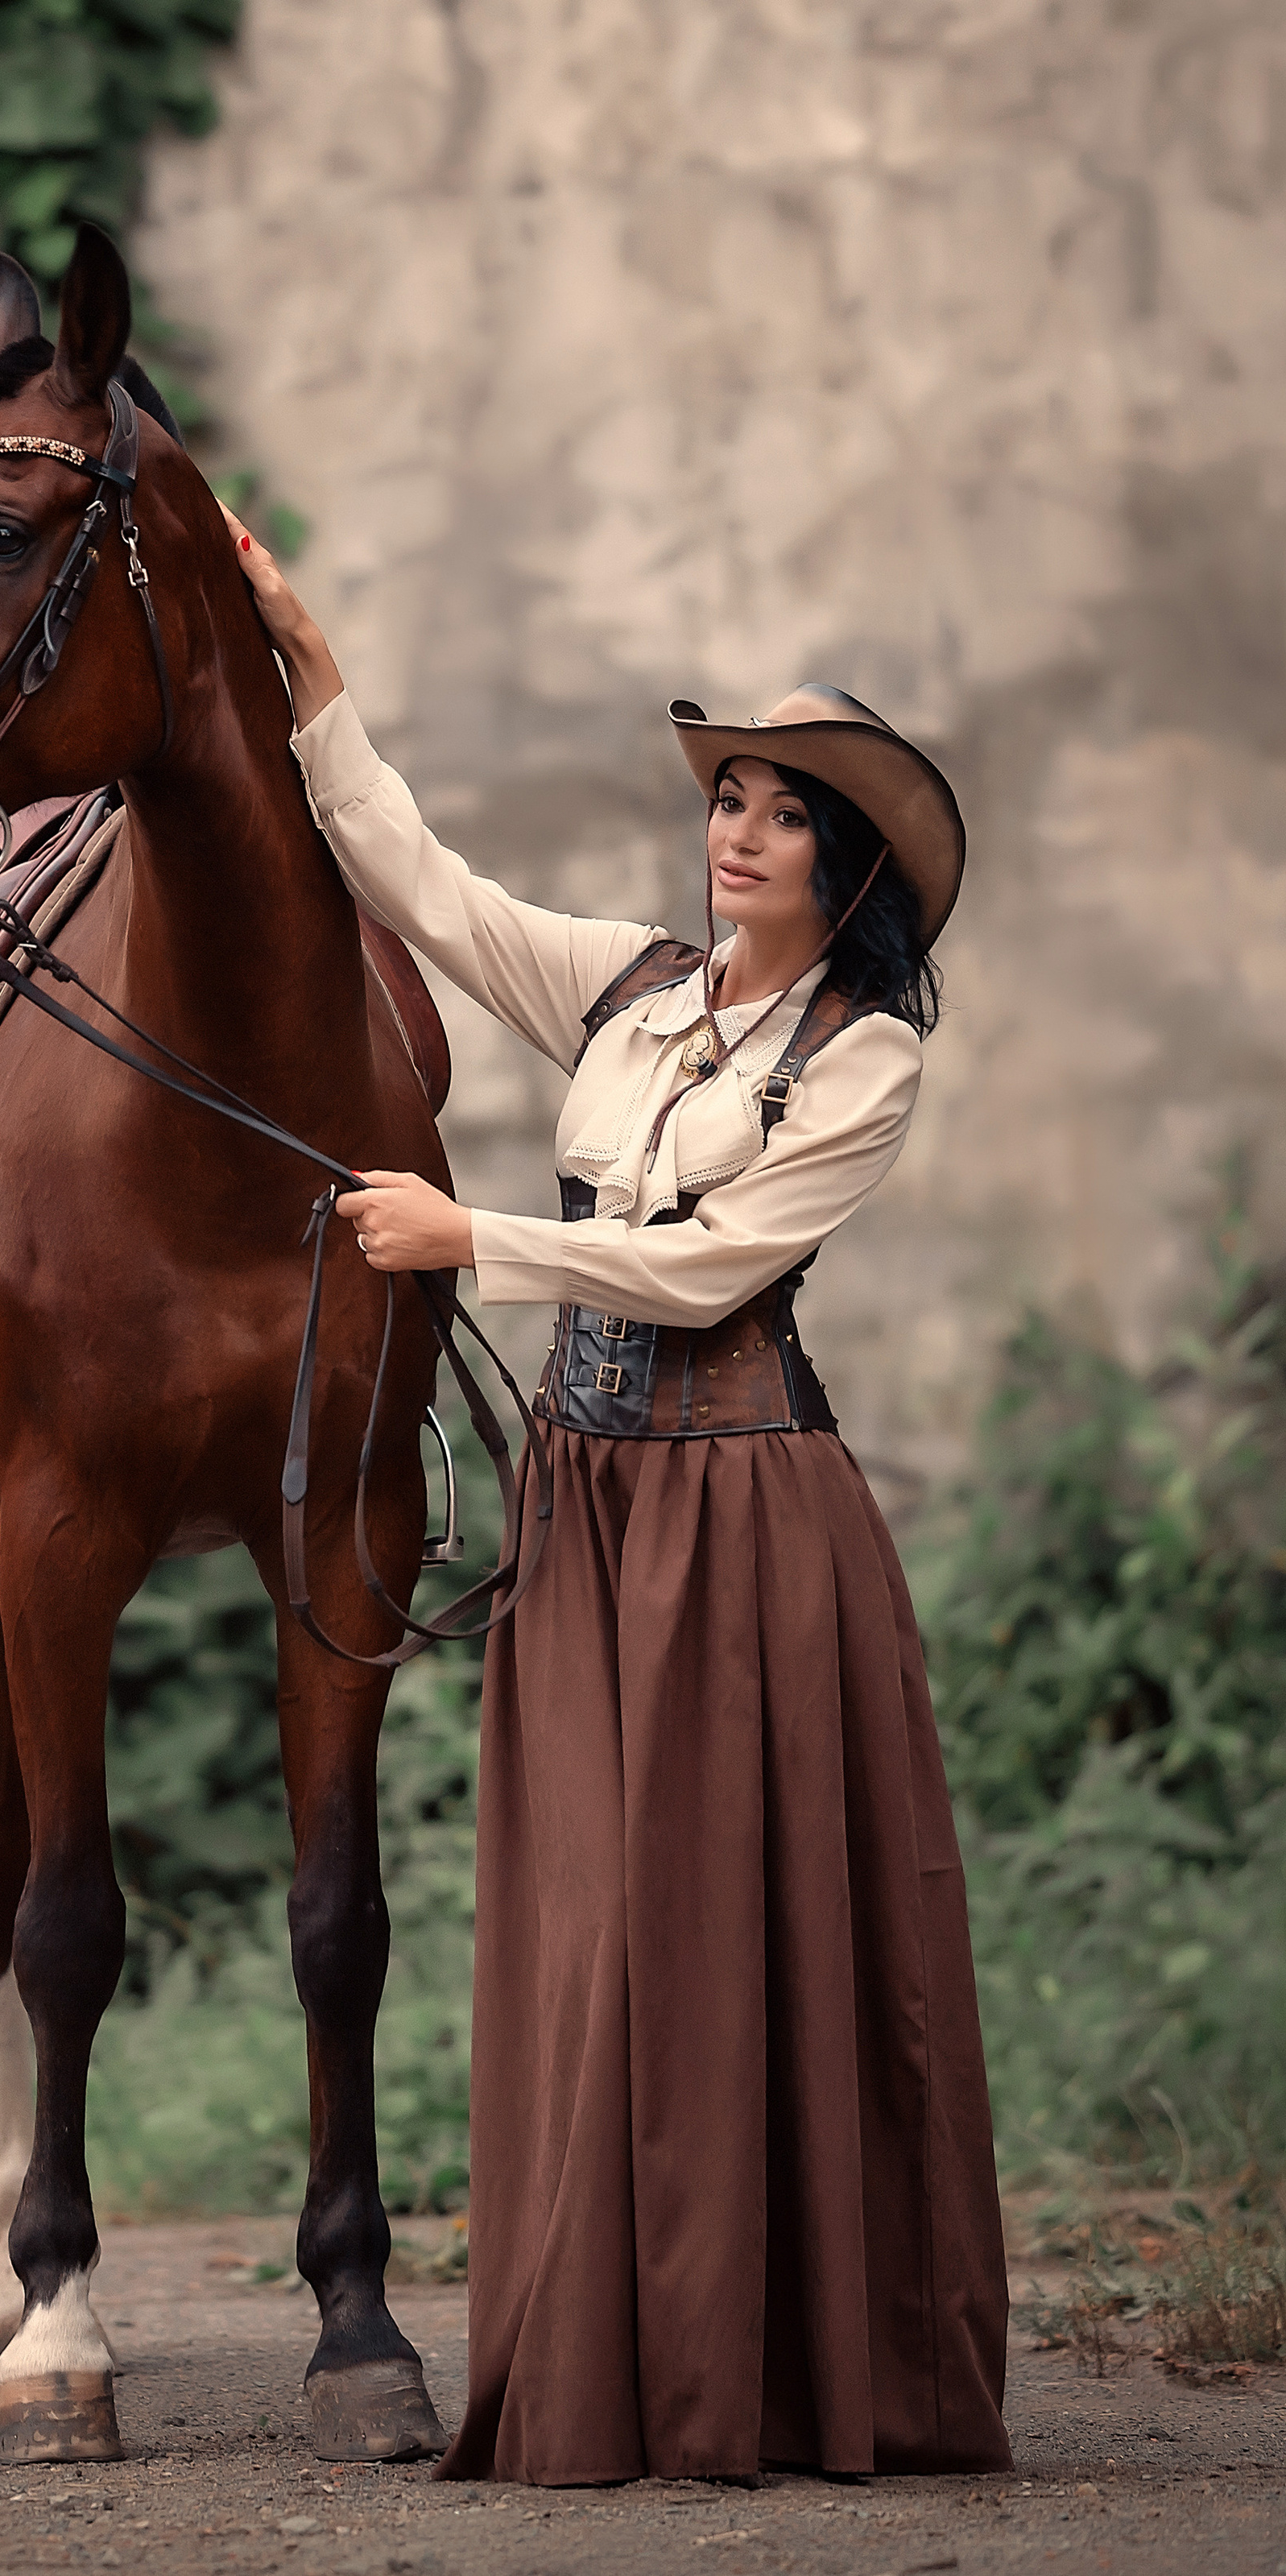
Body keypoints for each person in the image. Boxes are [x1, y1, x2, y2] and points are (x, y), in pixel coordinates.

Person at [226, 508, 1012, 2487]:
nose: (733, 829)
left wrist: (461, 1237)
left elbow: (705, 1269)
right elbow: (416, 879)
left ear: (848, 865)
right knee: (591, 1931)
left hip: (747, 1525)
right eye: (727, 795)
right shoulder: (628, 987)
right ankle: (610, 2349)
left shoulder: (863, 1058)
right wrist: (311, 676)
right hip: (586, 1511)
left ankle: (774, 2363)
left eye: (777, 810)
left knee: (736, 1927)